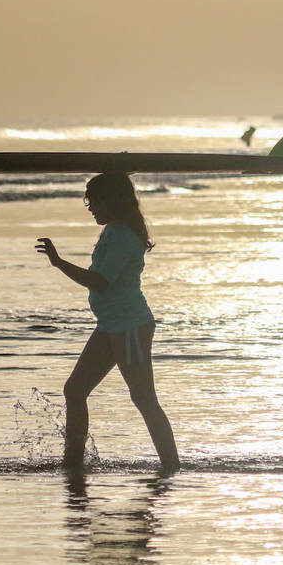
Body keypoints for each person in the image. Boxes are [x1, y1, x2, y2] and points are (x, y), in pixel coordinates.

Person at [35, 173, 180, 474]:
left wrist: (59, 263)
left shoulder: (123, 234)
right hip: (111, 325)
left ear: (111, 199)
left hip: (129, 326)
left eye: (93, 200)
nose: (89, 207)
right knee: (75, 391)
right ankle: (73, 463)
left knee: (143, 398)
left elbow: (100, 282)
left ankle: (171, 467)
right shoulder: (114, 230)